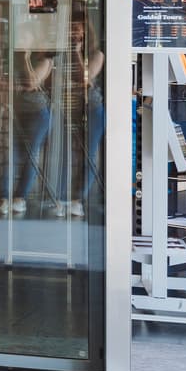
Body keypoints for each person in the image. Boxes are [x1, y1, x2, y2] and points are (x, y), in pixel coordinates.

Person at [2, 43, 54, 217]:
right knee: (11, 154)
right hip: (19, 112)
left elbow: (31, 82)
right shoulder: (20, 59)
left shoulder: (46, 60)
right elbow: (12, 83)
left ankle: (20, 198)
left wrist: (25, 59)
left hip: (37, 114)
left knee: (30, 155)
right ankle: (4, 197)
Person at [65, 12, 105, 219]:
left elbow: (85, 80)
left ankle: (78, 200)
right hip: (69, 107)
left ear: (85, 30)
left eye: (77, 27)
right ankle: (62, 198)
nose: (73, 31)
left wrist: (76, 52)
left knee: (88, 155)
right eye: (70, 27)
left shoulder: (97, 54)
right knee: (67, 152)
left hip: (92, 110)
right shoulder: (62, 52)